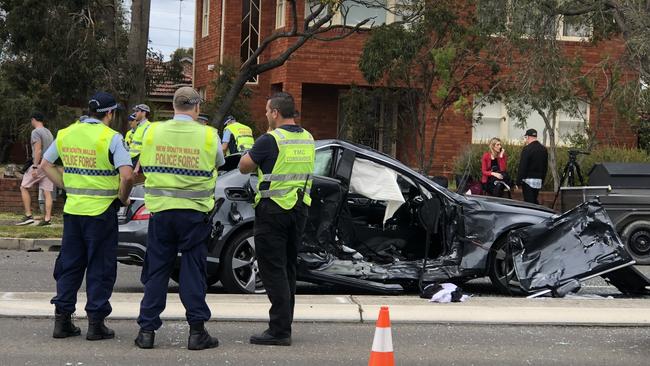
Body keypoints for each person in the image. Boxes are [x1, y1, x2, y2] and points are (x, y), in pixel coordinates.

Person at [134, 87, 224, 350]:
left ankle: (146, 332)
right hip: (194, 215)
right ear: (196, 107)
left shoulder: (151, 131)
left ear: (174, 106)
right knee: (193, 271)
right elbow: (218, 162)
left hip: (161, 212)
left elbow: (139, 165)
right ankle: (197, 332)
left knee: (157, 271)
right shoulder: (209, 135)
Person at [40, 91, 134, 340]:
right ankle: (95, 324)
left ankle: (62, 321)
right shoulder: (112, 138)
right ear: (110, 114)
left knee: (69, 265)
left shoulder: (66, 133)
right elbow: (127, 175)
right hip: (102, 212)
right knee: (100, 267)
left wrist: (66, 186)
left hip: (73, 212)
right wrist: (123, 197)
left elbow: (44, 165)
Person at [238, 92, 315, 346]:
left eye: (267, 110)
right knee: (288, 268)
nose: (266, 114)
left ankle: (280, 329)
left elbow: (244, 166)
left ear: (276, 113)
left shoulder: (270, 140)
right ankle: (284, 323)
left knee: (272, 269)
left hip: (273, 211)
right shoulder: (308, 138)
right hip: (299, 209)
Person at [16, 112, 55, 226]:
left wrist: (34, 166)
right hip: (49, 164)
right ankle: (47, 219)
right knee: (47, 192)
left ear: (33, 120)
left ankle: (28, 216)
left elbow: (37, 150)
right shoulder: (49, 132)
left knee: (23, 187)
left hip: (39, 164)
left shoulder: (36, 132)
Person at [517, 128, 548, 204]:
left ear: (528, 137)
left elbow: (522, 166)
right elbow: (545, 167)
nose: (526, 139)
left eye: (525, 137)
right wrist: (542, 180)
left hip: (528, 181)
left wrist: (518, 181)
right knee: (534, 201)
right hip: (538, 181)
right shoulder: (544, 149)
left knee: (529, 204)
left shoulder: (527, 149)